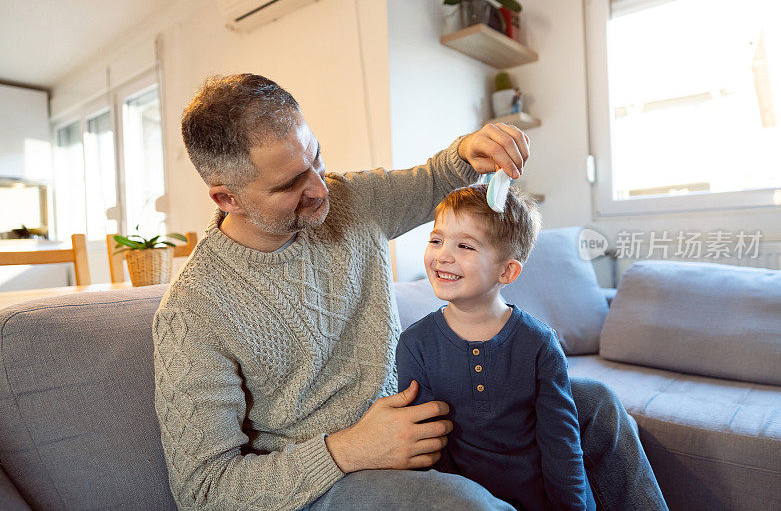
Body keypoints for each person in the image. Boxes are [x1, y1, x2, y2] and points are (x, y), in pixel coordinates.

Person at [152, 73, 668, 511]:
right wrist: (349, 449)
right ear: (227, 197)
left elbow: (436, 177)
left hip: (425, 413)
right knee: (467, 505)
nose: (320, 188)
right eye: (290, 184)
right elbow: (204, 489)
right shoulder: (195, 309)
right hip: (332, 479)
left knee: (596, 406)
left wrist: (472, 149)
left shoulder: (355, 200)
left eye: (317, 158)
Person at [396, 185, 594, 510]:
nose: (442, 254)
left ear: (507, 271)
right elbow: (429, 450)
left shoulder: (539, 343)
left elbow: (561, 443)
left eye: (464, 246)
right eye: (436, 240)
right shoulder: (415, 343)